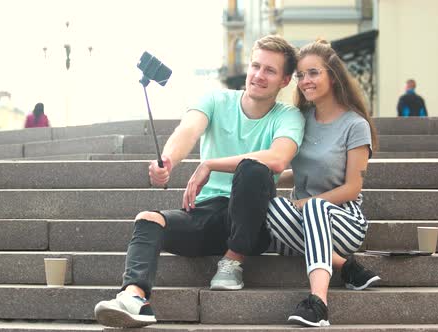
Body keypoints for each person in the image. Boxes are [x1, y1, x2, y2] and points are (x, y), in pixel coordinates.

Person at [94, 34, 305, 328]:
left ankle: (234, 260)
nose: (258, 75)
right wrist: (168, 160)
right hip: (208, 215)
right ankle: (134, 298)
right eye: (256, 66)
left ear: (284, 81)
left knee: (253, 169)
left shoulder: (289, 116)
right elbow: (189, 130)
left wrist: (210, 164)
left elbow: (278, 159)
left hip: (253, 221)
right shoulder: (216, 99)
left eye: (270, 70)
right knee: (148, 219)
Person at [265, 40, 381, 327]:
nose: (305, 81)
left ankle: (318, 304)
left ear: (332, 75)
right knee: (266, 207)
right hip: (304, 222)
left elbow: (353, 187)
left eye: (313, 73)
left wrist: (306, 203)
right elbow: (300, 170)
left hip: (344, 220)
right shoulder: (300, 118)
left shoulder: (356, 125)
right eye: (301, 75)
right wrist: (270, 176)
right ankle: (345, 265)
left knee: (315, 207)